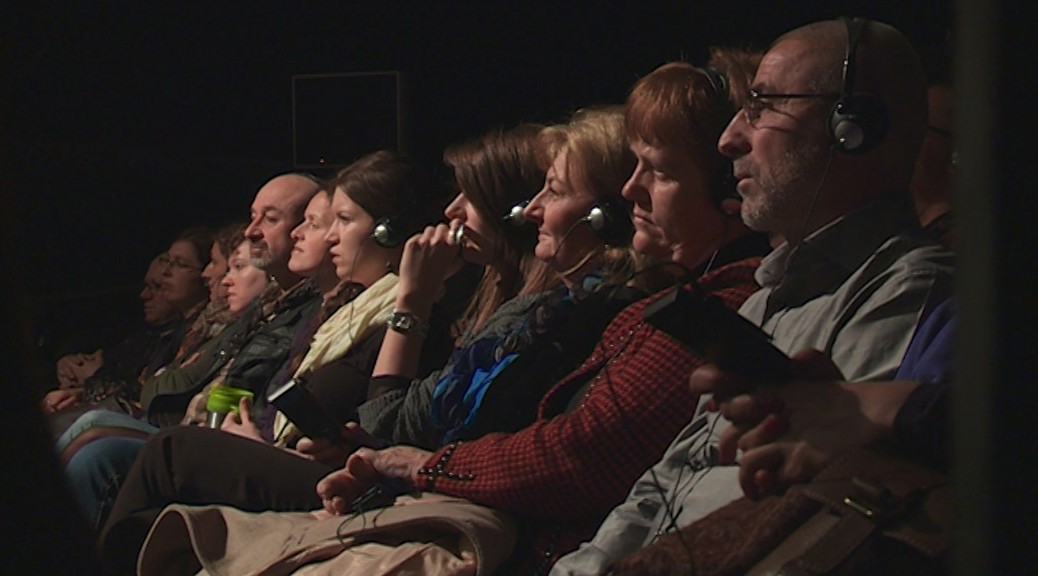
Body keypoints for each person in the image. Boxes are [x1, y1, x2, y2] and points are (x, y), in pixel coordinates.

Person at [314, 50, 770, 574]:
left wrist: (416, 460)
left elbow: (577, 457)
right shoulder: (579, 308)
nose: (632, 190)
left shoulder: (693, 310)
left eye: (660, 171)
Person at [552, 19, 955, 575]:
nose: (728, 139)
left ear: (852, 127)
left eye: (762, 106)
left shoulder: (909, 288)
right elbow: (670, 478)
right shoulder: (765, 298)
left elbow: (800, 530)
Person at [357, 110, 647, 450]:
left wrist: (413, 301)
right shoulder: (518, 308)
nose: (532, 209)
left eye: (554, 191)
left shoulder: (558, 322)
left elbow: (385, 425)